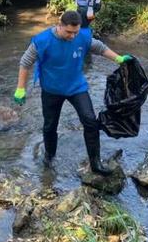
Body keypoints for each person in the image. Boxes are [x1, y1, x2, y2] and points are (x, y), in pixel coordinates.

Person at [12, 10, 134, 176]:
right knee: (49, 126)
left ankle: (95, 163)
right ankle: (49, 157)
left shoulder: (82, 37)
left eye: (75, 32)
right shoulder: (42, 41)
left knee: (90, 121)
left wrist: (118, 59)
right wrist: (21, 88)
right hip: (51, 90)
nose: (72, 36)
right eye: (68, 32)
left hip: (76, 87)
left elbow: (99, 48)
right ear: (59, 25)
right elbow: (25, 63)